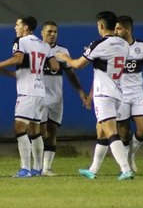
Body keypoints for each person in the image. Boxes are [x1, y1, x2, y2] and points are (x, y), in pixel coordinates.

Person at [55, 11, 134, 181]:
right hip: (117, 92)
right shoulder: (124, 45)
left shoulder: (99, 44)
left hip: (104, 94)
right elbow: (106, 63)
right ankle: (93, 169)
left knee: (111, 132)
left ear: (102, 26)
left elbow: (78, 64)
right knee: (101, 132)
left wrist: (65, 57)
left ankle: (126, 169)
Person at [0, 16, 60, 177]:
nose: (15, 27)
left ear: (26, 28)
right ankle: (37, 168)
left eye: (18, 24)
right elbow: (55, 67)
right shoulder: (44, 45)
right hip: (40, 92)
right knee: (35, 130)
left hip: (27, 92)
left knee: (19, 128)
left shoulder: (20, 41)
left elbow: (19, 58)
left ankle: (25, 168)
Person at [39, 21, 88, 176]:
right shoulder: (36, 49)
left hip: (56, 98)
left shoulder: (62, 51)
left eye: (54, 32)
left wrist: (80, 91)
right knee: (39, 132)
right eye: (49, 32)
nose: (52, 34)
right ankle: (36, 165)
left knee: (52, 131)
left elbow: (70, 73)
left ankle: (47, 168)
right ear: (42, 33)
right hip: (39, 97)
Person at [114, 15, 143, 172]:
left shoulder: (142, 47)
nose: (116, 31)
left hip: (137, 93)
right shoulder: (113, 47)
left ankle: (130, 155)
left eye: (119, 28)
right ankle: (125, 166)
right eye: (115, 28)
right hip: (120, 94)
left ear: (128, 29)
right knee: (123, 132)